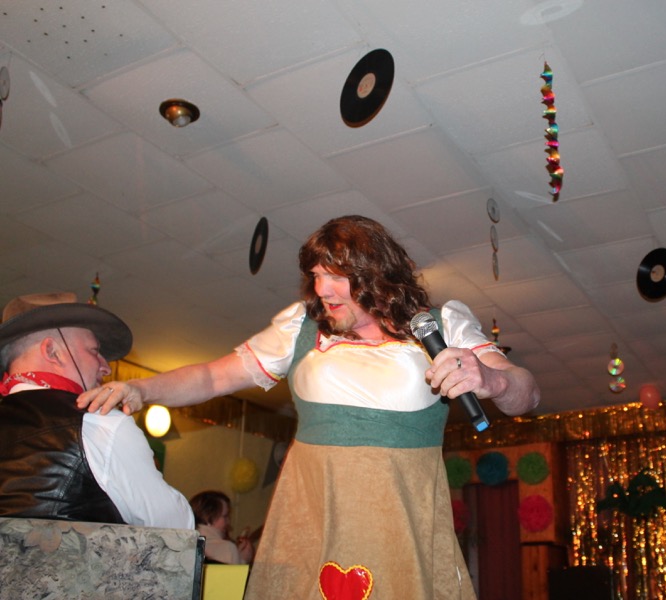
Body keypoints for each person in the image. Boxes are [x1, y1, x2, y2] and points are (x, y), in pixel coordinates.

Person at [78, 215, 540, 599]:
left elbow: (527, 393)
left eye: (335, 275)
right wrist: (142, 390)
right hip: (309, 520)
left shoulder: (440, 325)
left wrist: (491, 379)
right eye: (316, 275)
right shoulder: (301, 327)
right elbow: (214, 376)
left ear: (376, 272)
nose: (322, 288)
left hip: (400, 525)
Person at [0, 292, 193, 528]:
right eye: (94, 351)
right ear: (52, 352)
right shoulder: (100, 422)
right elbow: (177, 528)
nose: (106, 368)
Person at [190, 490, 254, 564]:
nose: (228, 521)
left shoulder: (186, 546)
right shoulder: (227, 548)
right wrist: (243, 560)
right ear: (208, 518)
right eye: (225, 516)